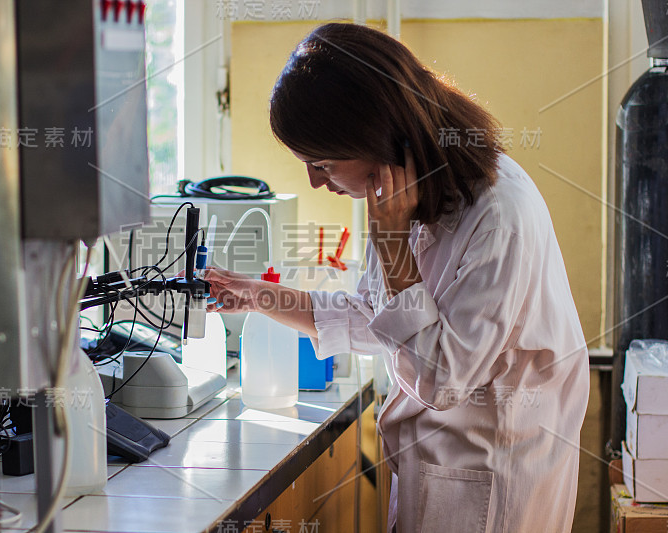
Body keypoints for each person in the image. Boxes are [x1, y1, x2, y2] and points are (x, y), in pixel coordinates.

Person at [204, 22, 589, 532]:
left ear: (373, 135)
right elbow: (375, 317)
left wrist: (393, 250)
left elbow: (442, 379)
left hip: (491, 484)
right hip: (440, 469)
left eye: (320, 162)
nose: (315, 181)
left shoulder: (497, 216)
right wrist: (258, 296)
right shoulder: (404, 196)